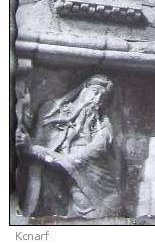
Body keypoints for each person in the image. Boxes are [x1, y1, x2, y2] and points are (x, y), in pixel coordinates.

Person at [16, 74, 121, 218]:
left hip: (101, 197)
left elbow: (74, 161)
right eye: (95, 93)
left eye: (102, 99)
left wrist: (34, 150)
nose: (97, 100)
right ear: (84, 89)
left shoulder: (104, 127)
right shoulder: (53, 111)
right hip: (70, 192)